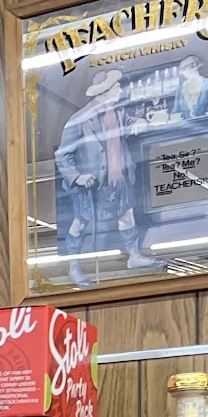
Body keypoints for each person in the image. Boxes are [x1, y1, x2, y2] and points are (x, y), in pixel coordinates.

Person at [52, 68, 156, 288]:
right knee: (80, 222)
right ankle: (74, 268)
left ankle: (134, 256)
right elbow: (62, 155)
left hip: (119, 177)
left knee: (127, 214)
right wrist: (77, 177)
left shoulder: (117, 112)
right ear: (104, 92)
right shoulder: (78, 120)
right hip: (91, 183)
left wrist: (139, 121)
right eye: (116, 87)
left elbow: (130, 121)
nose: (120, 90)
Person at [172, 54, 208, 119]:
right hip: (187, 125)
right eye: (183, 70)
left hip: (207, 123)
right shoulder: (180, 89)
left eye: (187, 68)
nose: (184, 72)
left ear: (196, 67)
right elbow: (175, 112)